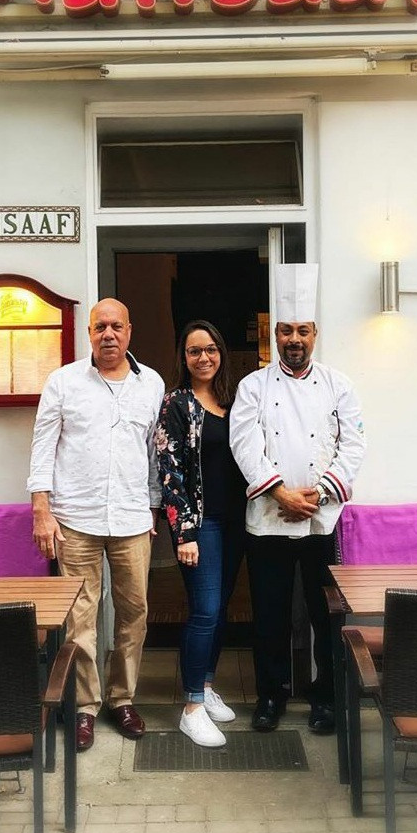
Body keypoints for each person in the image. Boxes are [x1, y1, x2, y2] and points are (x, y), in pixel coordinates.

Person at [230, 264, 366, 734]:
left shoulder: (338, 384)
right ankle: (270, 696)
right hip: (268, 520)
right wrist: (281, 493)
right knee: (269, 616)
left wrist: (320, 492)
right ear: (275, 335)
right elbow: (244, 445)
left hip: (320, 521)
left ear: (314, 334)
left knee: (325, 614)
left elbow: (353, 446)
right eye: (286, 330)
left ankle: (324, 696)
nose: (294, 339)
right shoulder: (252, 386)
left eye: (302, 331)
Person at [28, 298, 165, 752]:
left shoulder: (151, 384)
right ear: (88, 333)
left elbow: (153, 452)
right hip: (75, 518)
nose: (108, 334)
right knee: (80, 617)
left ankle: (122, 699)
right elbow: (43, 446)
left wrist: (151, 507)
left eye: (116, 326)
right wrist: (41, 508)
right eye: (99, 327)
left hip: (131, 517)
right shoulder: (63, 382)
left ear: (129, 331)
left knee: (134, 612)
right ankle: (85, 706)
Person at [156, 320, 247, 748]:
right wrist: (184, 532)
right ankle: (191, 707)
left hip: (237, 521)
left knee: (221, 608)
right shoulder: (177, 404)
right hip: (201, 524)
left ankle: (207, 685)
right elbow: (169, 471)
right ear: (184, 357)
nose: (204, 357)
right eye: (194, 351)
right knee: (205, 610)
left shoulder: (235, 401)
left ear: (221, 352)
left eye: (210, 349)